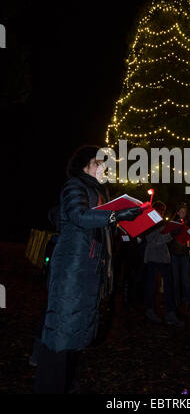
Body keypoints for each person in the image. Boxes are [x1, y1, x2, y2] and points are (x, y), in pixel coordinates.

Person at [33, 145, 142, 394]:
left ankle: (65, 382)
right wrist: (116, 216)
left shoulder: (100, 192)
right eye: (99, 162)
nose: (105, 168)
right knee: (61, 333)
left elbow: (100, 226)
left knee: (76, 333)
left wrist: (125, 223)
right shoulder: (75, 186)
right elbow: (79, 216)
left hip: (89, 270)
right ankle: (50, 386)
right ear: (85, 165)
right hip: (73, 270)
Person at [144, 201, 184, 327]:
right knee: (151, 286)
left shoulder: (162, 223)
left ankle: (170, 313)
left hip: (164, 258)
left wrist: (175, 233)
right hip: (152, 257)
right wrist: (170, 234)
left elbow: (164, 239)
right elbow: (154, 241)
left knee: (169, 286)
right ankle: (149, 310)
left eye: (163, 211)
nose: (161, 213)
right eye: (159, 210)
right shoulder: (148, 223)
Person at [169, 204, 190, 314]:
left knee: (185, 279)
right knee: (175, 279)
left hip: (184, 254)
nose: (183, 213)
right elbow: (169, 237)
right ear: (178, 213)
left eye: (185, 212)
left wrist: (188, 232)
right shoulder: (172, 223)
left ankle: (187, 300)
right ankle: (176, 300)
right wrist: (177, 228)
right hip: (174, 254)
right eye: (181, 211)